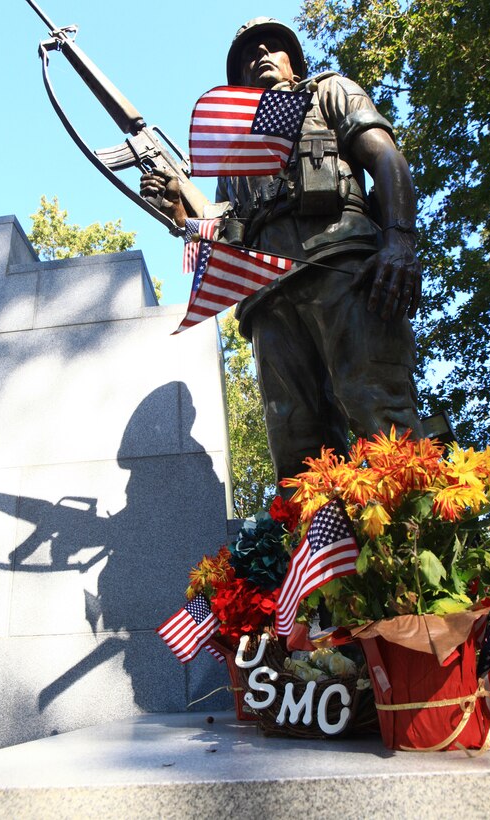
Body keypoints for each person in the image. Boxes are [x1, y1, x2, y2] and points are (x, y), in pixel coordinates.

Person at [141, 17, 423, 485]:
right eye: (250, 54)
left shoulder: (328, 91)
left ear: (294, 57)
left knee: (377, 407)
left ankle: (416, 541)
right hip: (269, 298)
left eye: (273, 46)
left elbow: (387, 158)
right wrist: (177, 205)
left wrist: (398, 240)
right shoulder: (234, 154)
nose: (262, 55)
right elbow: (223, 231)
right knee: (294, 440)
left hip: (342, 268)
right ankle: (313, 551)